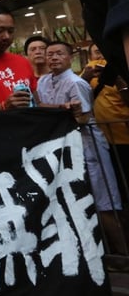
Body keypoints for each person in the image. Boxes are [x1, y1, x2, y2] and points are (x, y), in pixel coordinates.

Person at [37, 40, 126, 254]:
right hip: (63, 148)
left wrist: (61, 112)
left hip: (88, 146)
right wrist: (62, 109)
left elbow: (83, 117)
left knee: (105, 202)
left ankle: (123, 253)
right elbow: (39, 106)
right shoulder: (42, 82)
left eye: (59, 54)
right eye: (50, 54)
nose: (54, 58)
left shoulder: (77, 82)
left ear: (70, 58)